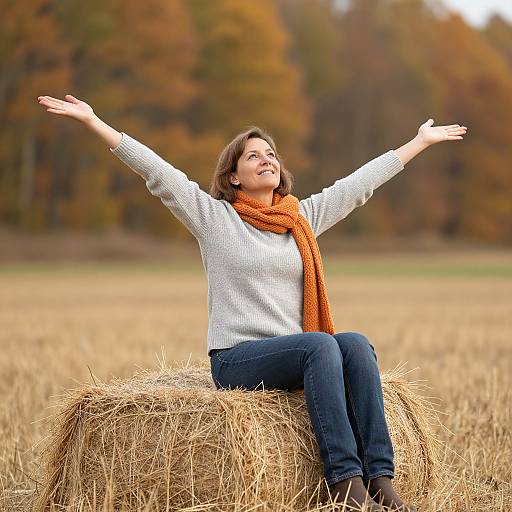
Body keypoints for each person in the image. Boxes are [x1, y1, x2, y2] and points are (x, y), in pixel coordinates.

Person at [37, 94, 467, 511]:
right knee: (320, 344)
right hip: (237, 358)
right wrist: (95, 122)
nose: (267, 159)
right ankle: (345, 484)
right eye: (253, 156)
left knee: (353, 344)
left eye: (271, 154)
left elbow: (359, 186)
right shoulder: (214, 220)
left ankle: (382, 481)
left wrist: (419, 143)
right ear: (234, 177)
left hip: (294, 355)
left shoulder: (300, 220)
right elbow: (158, 173)